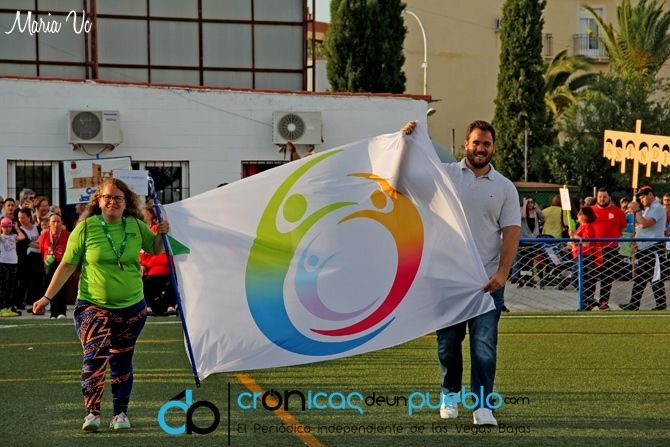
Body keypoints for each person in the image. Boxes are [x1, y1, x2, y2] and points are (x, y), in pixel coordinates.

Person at [402, 120, 520, 426]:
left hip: (487, 282)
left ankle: (482, 407)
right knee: (448, 345)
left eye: (486, 144)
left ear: (494, 147)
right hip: (449, 280)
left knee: (484, 346)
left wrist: (503, 272)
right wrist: (405, 141)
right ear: (465, 144)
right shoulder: (445, 176)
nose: (481, 148)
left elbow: (511, 231)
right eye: (476, 142)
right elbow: (405, 178)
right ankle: (450, 394)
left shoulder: (505, 187)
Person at [33, 178, 169, 431]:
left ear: (126, 202)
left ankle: (120, 414)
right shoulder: (86, 228)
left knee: (121, 360)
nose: (112, 202)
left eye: (118, 198)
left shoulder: (136, 225)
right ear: (98, 201)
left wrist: (161, 233)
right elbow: (67, 265)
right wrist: (46, 297)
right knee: (94, 356)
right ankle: (92, 413)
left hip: (131, 307)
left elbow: (155, 249)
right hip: (92, 304)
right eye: (107, 197)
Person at [620, 186, 666, 310]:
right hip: (646, 247)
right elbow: (641, 225)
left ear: (650, 194)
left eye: (643, 196)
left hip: (653, 247)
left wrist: (638, 211)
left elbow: (645, 224)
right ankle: (657, 304)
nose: (641, 199)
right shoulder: (649, 209)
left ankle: (636, 304)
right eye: (640, 197)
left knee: (649, 277)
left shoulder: (657, 208)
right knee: (648, 278)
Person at [590, 188, 627, 310]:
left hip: (610, 249)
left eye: (604, 196)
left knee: (607, 277)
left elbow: (622, 227)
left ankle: (603, 302)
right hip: (593, 250)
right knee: (591, 276)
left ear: (609, 197)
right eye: (600, 196)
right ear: (597, 197)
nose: (602, 199)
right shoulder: (590, 211)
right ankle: (589, 301)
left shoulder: (617, 211)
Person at [140, 201, 176, 316]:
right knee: (146, 284)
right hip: (152, 270)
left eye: (145, 212)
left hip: (165, 268)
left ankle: (170, 305)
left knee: (170, 282)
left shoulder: (159, 229)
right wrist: (143, 264)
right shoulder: (147, 230)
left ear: (150, 214)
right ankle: (149, 305)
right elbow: (144, 251)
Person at [38, 212, 70, 319]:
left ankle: (62, 312)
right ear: (49, 223)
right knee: (50, 288)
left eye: (58, 221)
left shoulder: (67, 234)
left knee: (62, 288)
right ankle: (53, 312)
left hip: (62, 264)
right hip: (49, 264)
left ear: (62, 223)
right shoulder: (44, 234)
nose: (56, 224)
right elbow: (41, 249)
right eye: (53, 222)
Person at [569, 206, 600, 311]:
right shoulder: (581, 227)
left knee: (579, 279)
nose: (578, 215)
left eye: (581, 213)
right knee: (578, 279)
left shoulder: (587, 226)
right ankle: (589, 300)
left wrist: (575, 236)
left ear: (586, 216)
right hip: (578, 255)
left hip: (585, 256)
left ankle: (588, 300)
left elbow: (586, 242)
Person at [0, 217, 26, 317]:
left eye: (9, 226)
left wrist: (17, 228)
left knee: (11, 287)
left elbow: (22, 237)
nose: (7, 228)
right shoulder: (1, 237)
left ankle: (8, 307)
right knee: (3, 286)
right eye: (5, 226)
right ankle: (2, 308)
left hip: (13, 263)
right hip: (3, 263)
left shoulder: (14, 236)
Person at [517, 196, 544, 287]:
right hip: (524, 239)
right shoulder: (521, 209)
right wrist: (524, 204)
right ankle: (523, 279)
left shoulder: (535, 212)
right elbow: (522, 216)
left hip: (534, 239)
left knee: (531, 260)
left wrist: (537, 208)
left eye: (532, 202)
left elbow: (543, 218)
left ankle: (529, 279)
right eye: (528, 202)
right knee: (524, 260)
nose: (530, 204)